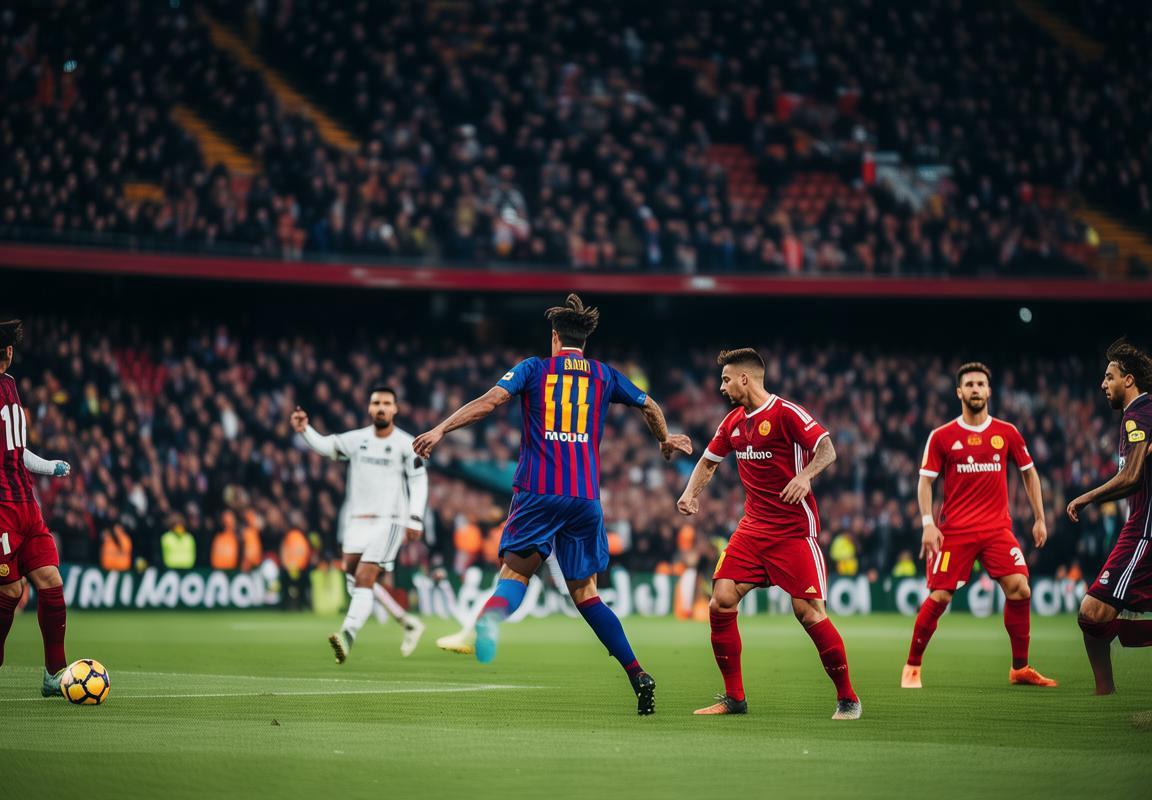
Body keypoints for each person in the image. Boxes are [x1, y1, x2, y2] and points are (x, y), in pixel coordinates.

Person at [413, 294, 692, 715]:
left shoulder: (534, 368)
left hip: (539, 491)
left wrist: (440, 429)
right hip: (584, 498)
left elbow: (490, 402)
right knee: (587, 594)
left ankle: (486, 622)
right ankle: (638, 674)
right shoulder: (604, 374)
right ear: (584, 342)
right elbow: (649, 404)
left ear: (555, 338)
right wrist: (665, 440)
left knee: (515, 574)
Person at [677, 348, 861, 720]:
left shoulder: (786, 413)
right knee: (721, 600)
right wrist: (690, 493)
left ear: (745, 378)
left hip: (794, 530)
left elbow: (827, 449)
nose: (722, 386)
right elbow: (708, 463)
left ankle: (848, 698)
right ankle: (735, 698)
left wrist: (805, 476)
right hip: (752, 528)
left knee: (808, 612)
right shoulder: (732, 423)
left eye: (726, 379)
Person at [903, 362, 1056, 689]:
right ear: (959, 392)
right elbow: (925, 482)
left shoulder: (1007, 433)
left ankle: (1020, 668)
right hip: (955, 531)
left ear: (989, 391)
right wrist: (928, 523)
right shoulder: (942, 436)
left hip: (996, 530)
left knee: (1020, 588)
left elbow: (1029, 473)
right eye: (969, 384)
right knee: (940, 596)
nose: (975, 389)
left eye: (981, 384)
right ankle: (912, 666)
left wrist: (1040, 518)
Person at [291, 386, 428, 661]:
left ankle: (347, 634)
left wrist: (415, 517)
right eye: (376, 403)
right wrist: (306, 430)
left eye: (386, 403)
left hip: (389, 520)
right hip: (356, 522)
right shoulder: (358, 439)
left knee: (365, 577)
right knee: (356, 580)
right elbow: (327, 446)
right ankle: (407, 622)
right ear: (369, 408)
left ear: (395, 409)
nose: (381, 408)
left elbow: (418, 480)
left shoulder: (406, 443)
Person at [1067, 338, 1152, 694]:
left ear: (1128, 380)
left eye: (1109, 377)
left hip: (1145, 532)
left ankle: (1104, 692)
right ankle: (1104, 693)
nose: (1103, 384)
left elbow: (1131, 477)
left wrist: (1086, 498)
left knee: (1091, 613)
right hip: (1140, 527)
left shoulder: (1139, 413)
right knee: (1093, 615)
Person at [0, 318, 73, 697]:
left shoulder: (10, 385)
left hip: (27, 503)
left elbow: (16, 449)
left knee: (50, 581)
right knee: (10, 590)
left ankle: (54, 674)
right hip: (1, 508)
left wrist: (48, 466)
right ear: (9, 351)